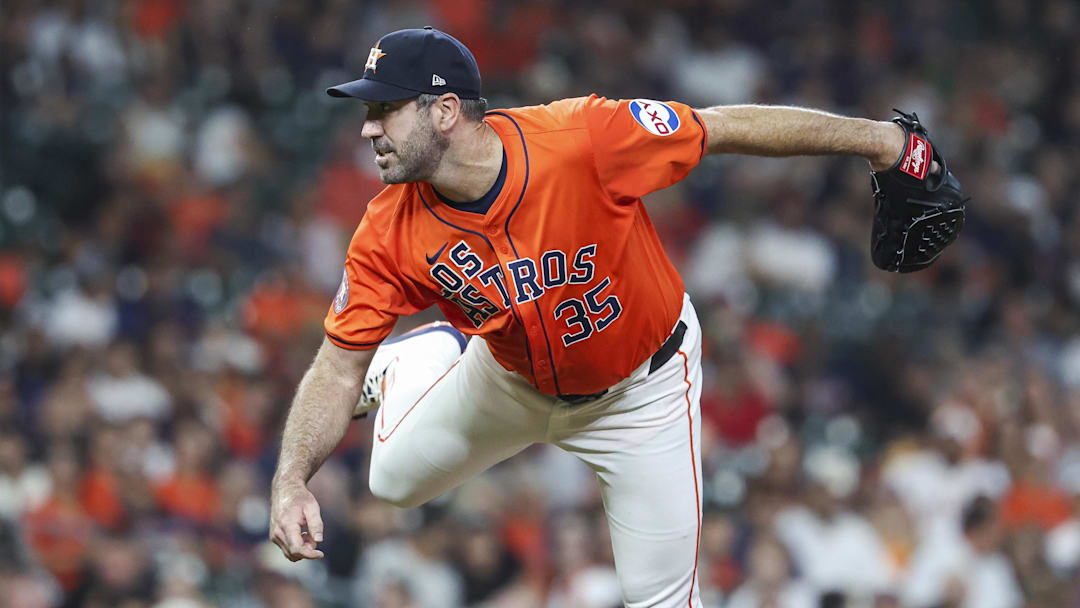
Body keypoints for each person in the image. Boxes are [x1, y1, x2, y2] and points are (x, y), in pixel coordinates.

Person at [269, 26, 911, 608]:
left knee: (661, 602)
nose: (367, 128)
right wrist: (292, 478)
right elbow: (336, 366)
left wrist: (881, 142)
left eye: (384, 109)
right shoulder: (386, 228)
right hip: (508, 380)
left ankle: (429, 354)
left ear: (443, 112)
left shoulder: (584, 137)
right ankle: (422, 354)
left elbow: (722, 128)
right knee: (391, 484)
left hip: (641, 391)